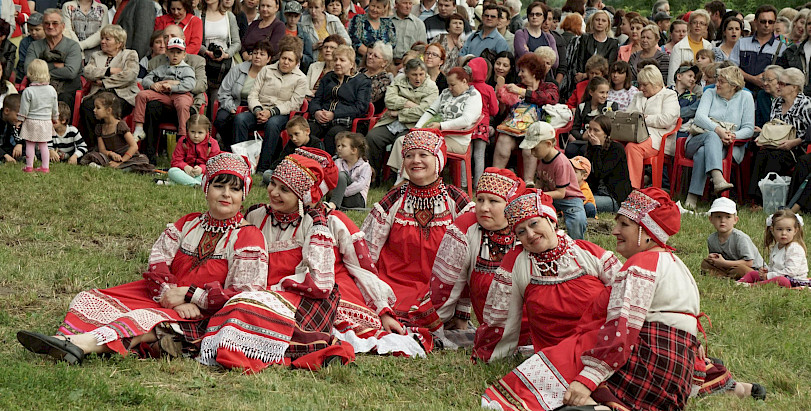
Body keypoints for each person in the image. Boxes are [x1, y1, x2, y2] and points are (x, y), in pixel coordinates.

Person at [18, 153, 265, 364]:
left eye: (235, 189)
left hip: (202, 313)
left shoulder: (248, 236)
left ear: (243, 195)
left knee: (141, 318)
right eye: (219, 186)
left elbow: (245, 295)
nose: (226, 194)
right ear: (206, 188)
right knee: (92, 298)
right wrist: (170, 295)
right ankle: (67, 341)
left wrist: (192, 296)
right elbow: (158, 259)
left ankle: (77, 345)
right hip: (165, 298)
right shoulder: (189, 223)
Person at [481, 188, 698, 411]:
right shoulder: (677, 265)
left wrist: (588, 379)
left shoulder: (632, 263)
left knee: (527, 389)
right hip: (674, 378)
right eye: (521, 232)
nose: (614, 231)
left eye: (624, 224)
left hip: (642, 362)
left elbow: (621, 329)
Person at [199, 154, 356, 372]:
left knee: (242, 308)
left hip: (302, 298)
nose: (274, 192)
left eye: (284, 190)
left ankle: (297, 351)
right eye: (273, 183)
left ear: (301, 196)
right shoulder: (256, 214)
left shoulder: (314, 223)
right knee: (235, 307)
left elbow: (319, 281)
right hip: (258, 291)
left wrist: (272, 291)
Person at [472, 188, 620, 363]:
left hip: (601, 343)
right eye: (521, 232)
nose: (530, 234)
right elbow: (502, 317)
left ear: (551, 221)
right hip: (555, 355)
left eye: (534, 223)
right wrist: (493, 354)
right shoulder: (518, 262)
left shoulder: (585, 252)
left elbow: (624, 289)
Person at [362, 129, 473, 334]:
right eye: (409, 155)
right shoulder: (394, 198)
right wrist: (373, 292)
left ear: (438, 159)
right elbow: (368, 249)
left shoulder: (456, 200)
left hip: (438, 290)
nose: (415, 161)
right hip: (393, 285)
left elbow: (470, 256)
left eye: (423, 155)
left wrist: (462, 312)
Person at [430, 168, 526, 343]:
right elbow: (447, 284)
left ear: (511, 205)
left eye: (493, 201)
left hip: (535, 325)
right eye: (480, 199)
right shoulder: (467, 227)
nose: (483, 208)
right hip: (493, 331)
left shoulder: (528, 231)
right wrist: (435, 324)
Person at [387, 67, 481, 179]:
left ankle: (408, 180)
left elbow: (466, 120)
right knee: (402, 140)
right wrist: (417, 128)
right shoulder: (446, 93)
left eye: (453, 85)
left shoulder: (474, 96)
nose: (450, 88)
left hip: (457, 139)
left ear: (464, 81)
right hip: (437, 135)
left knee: (419, 146)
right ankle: (402, 176)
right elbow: (430, 111)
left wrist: (441, 126)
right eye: (448, 84)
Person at [683, 66, 753, 207]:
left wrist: (732, 135)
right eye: (717, 80)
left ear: (733, 85)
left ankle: (692, 199)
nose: (717, 84)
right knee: (712, 136)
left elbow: (749, 129)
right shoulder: (709, 93)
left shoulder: (746, 97)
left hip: (729, 147)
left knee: (703, 152)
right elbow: (699, 118)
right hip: (697, 140)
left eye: (721, 82)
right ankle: (718, 178)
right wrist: (719, 131)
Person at [237, 37, 307, 175]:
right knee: (240, 119)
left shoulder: (301, 78)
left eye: (290, 60)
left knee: (272, 124)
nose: (285, 62)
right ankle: (239, 162)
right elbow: (253, 94)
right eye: (283, 58)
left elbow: (294, 103)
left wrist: (271, 112)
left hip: (281, 114)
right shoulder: (266, 70)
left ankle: (263, 168)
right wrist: (258, 110)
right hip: (259, 109)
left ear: (296, 63)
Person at [142, 25, 207, 164]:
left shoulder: (196, 61)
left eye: (173, 36)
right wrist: (158, 85)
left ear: (183, 39)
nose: (168, 39)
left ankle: (187, 155)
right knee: (152, 107)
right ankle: (149, 156)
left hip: (186, 102)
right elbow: (148, 82)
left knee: (184, 107)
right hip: (162, 102)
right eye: (165, 37)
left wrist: (175, 84)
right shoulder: (155, 62)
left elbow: (201, 85)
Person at [365, 58, 437, 178]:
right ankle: (373, 176)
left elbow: (423, 112)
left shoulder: (431, 87)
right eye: (414, 74)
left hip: (413, 125)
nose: (418, 78)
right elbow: (389, 100)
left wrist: (399, 113)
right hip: (391, 121)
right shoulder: (399, 80)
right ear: (407, 73)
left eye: (421, 74)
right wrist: (407, 103)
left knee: (400, 142)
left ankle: (397, 178)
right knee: (373, 137)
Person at [492, 53, 558, 184]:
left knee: (530, 145)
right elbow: (503, 113)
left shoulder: (548, 87)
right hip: (513, 130)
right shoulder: (516, 86)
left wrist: (521, 92)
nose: (519, 74)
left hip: (535, 131)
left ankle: (528, 182)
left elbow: (550, 98)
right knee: (503, 140)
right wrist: (502, 101)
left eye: (523, 71)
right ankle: (494, 178)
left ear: (533, 72)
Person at [749, 67, 811, 202]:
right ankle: (755, 198)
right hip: (775, 143)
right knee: (761, 154)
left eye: (782, 84)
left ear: (794, 87)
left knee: (775, 157)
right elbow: (773, 126)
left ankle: (768, 199)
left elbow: (809, 134)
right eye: (778, 83)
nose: (778, 86)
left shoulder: (805, 104)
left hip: (796, 148)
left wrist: (793, 142)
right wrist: (763, 137)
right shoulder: (777, 102)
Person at [524, 121, 588, 240]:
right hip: (551, 197)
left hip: (570, 200)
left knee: (577, 220)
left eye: (535, 149)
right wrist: (533, 193)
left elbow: (561, 193)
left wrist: (538, 194)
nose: (532, 153)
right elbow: (540, 182)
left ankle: (576, 243)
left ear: (548, 144)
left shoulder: (560, 163)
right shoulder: (542, 159)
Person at [80, 24, 139, 152]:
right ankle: (93, 147)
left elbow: (129, 75)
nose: (102, 41)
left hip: (122, 94)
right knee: (87, 107)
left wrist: (104, 82)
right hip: (98, 93)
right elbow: (88, 72)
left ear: (119, 43)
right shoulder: (96, 55)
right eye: (102, 38)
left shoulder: (130, 54)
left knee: (109, 109)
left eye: (107, 39)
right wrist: (109, 70)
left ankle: (115, 147)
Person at [623, 65, 679, 189]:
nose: (641, 88)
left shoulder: (669, 95)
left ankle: (632, 189)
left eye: (645, 85)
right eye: (640, 84)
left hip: (658, 139)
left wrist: (643, 119)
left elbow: (667, 119)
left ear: (656, 83)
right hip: (634, 135)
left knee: (632, 148)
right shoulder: (638, 96)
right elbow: (628, 116)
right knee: (614, 144)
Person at [308, 44, 370, 155]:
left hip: (345, 122)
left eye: (342, 60)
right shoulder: (328, 77)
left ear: (351, 64)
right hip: (322, 119)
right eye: (335, 59)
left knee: (333, 134)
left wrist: (334, 114)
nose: (337, 63)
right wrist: (316, 112)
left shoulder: (361, 81)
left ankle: (326, 163)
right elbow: (316, 100)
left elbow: (360, 108)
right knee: (306, 131)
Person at [213, 38, 272, 151]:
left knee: (240, 121)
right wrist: (231, 108)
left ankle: (240, 153)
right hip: (234, 103)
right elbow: (224, 91)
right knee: (221, 119)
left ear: (268, 59)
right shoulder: (238, 69)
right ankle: (229, 148)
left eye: (262, 54)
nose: (257, 56)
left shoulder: (271, 75)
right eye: (255, 53)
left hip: (256, 109)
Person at [132, 37, 195, 141]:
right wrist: (152, 85)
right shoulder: (162, 68)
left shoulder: (187, 69)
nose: (175, 55)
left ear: (184, 54)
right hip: (164, 95)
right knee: (141, 95)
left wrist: (173, 87)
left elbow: (190, 84)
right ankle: (139, 128)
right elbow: (146, 79)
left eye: (178, 52)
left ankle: (183, 135)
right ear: (166, 53)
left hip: (181, 95)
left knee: (183, 104)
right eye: (172, 52)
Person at [24, 9, 83, 109]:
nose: (50, 26)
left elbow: (70, 72)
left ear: (63, 26)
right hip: (38, 90)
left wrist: (40, 70)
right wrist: (54, 65)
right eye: (47, 23)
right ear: (43, 26)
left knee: (65, 100)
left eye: (55, 23)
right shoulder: (35, 46)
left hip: (65, 91)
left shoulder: (73, 46)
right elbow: (28, 70)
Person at [738, 210, 808, 288]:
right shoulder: (776, 247)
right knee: (753, 273)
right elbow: (774, 266)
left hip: (793, 280)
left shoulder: (794, 248)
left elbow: (791, 272)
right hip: (776, 276)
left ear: (795, 231)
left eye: (788, 230)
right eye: (779, 229)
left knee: (781, 280)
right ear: (772, 230)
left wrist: (769, 275)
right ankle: (739, 282)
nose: (784, 233)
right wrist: (767, 271)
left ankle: (752, 285)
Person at [81, 92, 151, 170]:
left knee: (141, 161)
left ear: (109, 110)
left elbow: (134, 146)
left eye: (98, 108)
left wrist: (122, 161)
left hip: (126, 157)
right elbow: (102, 150)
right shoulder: (99, 128)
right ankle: (117, 167)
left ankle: (120, 167)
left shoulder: (120, 125)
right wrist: (111, 154)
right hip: (111, 157)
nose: (94, 110)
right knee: (94, 156)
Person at [700, 197, 764, 279]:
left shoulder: (740, 238)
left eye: (728, 217)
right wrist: (713, 259)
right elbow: (717, 260)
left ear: (735, 220)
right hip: (728, 267)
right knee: (705, 263)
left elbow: (749, 263)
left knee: (740, 269)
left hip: (751, 269)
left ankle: (727, 276)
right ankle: (724, 276)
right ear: (711, 219)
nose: (723, 220)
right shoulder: (711, 239)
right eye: (718, 217)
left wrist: (724, 263)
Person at [731, 5, 784, 92]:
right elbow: (732, 67)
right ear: (755, 21)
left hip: (767, 94)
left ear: (775, 23)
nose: (766, 25)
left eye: (770, 22)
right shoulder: (741, 43)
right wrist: (753, 79)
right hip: (741, 91)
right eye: (763, 21)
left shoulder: (781, 47)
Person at [584, 115, 631, 212]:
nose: (591, 133)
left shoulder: (616, 149)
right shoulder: (590, 147)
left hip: (612, 197)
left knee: (583, 203)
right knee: (572, 199)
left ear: (606, 134)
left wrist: (597, 148)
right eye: (589, 129)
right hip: (595, 192)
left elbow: (600, 173)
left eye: (596, 130)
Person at [18, 59, 57, 173]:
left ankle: (29, 166)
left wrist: (20, 119)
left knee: (30, 144)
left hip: (31, 121)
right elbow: (54, 107)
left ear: (30, 73)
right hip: (46, 121)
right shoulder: (51, 90)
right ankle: (45, 167)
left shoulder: (28, 91)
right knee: (44, 145)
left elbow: (24, 109)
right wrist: (55, 118)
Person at [567, 76, 618, 157]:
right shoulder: (582, 107)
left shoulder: (611, 106)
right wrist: (582, 137)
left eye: (607, 92)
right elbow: (575, 129)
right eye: (601, 92)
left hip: (602, 142)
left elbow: (613, 129)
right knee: (570, 150)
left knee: (584, 150)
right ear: (591, 92)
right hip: (584, 140)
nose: (605, 96)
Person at [198, 0, 241, 96]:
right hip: (202, 61)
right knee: (201, 97)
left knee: (217, 98)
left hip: (223, 65)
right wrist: (206, 52)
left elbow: (237, 43)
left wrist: (226, 54)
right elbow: (194, 41)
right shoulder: (198, 15)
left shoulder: (228, 16)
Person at [467, 57, 498, 187]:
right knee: (479, 155)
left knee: (466, 154)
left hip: (468, 125)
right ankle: (478, 184)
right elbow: (494, 110)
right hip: (482, 125)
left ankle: (464, 182)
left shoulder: (467, 87)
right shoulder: (488, 89)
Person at [167, 114, 222, 186]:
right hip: (185, 172)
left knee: (213, 176)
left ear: (206, 132)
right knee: (172, 171)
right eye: (192, 132)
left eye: (200, 133)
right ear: (188, 130)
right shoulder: (182, 141)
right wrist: (185, 167)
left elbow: (215, 164)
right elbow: (175, 161)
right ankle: (197, 184)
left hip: (203, 174)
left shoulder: (213, 143)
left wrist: (202, 169)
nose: (196, 136)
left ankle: (184, 182)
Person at [668, 10, 712, 86]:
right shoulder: (679, 47)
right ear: (689, 25)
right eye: (695, 22)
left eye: (702, 23)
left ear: (706, 27)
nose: (698, 25)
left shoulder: (708, 46)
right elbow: (672, 77)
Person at [330, 131, 371, 209]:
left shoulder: (365, 166)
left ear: (354, 150)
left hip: (356, 199)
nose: (339, 148)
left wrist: (341, 192)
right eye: (338, 145)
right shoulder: (337, 162)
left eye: (343, 146)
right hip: (339, 197)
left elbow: (360, 185)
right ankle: (335, 204)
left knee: (342, 175)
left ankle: (333, 205)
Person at [360, 41, 393, 115]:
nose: (370, 57)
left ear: (384, 62)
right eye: (370, 54)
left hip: (365, 115)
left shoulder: (384, 80)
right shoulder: (361, 71)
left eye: (375, 56)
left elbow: (367, 99)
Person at [16, 12, 45, 84]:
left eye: (37, 30)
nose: (33, 32)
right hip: (27, 75)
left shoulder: (50, 41)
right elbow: (23, 61)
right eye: (31, 30)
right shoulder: (25, 42)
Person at [0, 94, 21, 163]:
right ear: (6, 111)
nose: (20, 119)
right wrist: (4, 155)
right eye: (18, 115)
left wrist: (20, 144)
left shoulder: (13, 121)